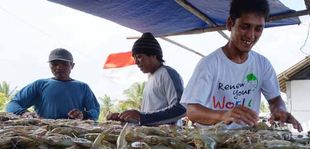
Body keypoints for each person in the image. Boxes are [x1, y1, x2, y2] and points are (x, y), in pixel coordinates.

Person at [180, 0, 303, 132]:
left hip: (247, 141)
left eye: (258, 29)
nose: (251, 35)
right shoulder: (209, 64)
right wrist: (223, 115)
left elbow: (275, 100)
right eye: (245, 26)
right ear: (230, 24)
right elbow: (191, 111)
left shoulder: (262, 64)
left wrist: (280, 110)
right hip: (214, 141)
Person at [107, 32, 186, 126]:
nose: (136, 62)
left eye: (139, 57)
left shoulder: (167, 73)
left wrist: (141, 116)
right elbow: (148, 119)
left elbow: (181, 108)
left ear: (153, 55)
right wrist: (126, 118)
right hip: (150, 138)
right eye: (134, 58)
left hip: (167, 138)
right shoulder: (151, 78)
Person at [6, 48, 100, 120]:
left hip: (74, 134)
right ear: (49, 65)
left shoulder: (83, 87)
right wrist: (23, 113)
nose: (59, 67)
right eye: (54, 64)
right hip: (44, 134)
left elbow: (95, 111)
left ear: (72, 65)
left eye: (64, 63)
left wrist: (83, 114)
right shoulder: (39, 85)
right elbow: (13, 104)